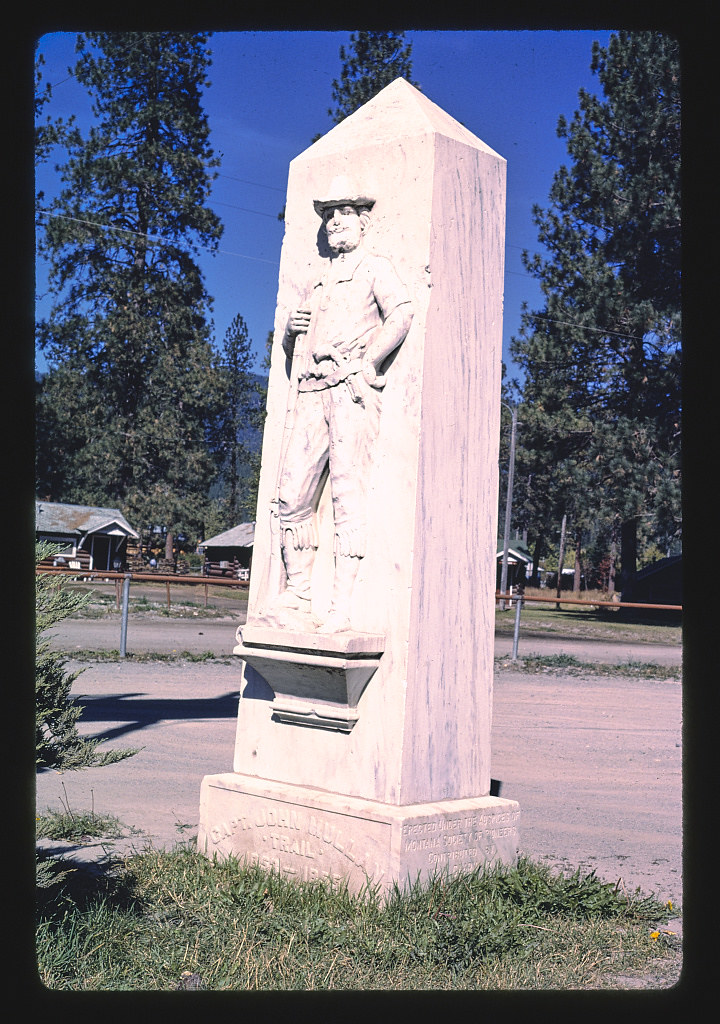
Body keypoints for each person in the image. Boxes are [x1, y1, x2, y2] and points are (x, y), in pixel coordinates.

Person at [266, 176, 413, 633]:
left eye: (343, 214)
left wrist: (367, 363)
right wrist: (293, 331)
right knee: (291, 494)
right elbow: (300, 342)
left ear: (363, 222)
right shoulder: (319, 279)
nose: (333, 223)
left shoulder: (374, 267)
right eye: (329, 216)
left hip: (349, 391)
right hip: (311, 388)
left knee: (348, 496)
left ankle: (342, 607)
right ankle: (298, 592)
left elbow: (402, 313)